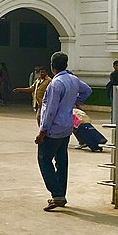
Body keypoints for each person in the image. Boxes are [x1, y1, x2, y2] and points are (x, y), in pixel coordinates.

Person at [36, 51, 92, 212]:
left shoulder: (56, 84)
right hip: (67, 127)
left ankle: (57, 194)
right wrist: (76, 101)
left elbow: (50, 110)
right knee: (62, 161)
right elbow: (87, 90)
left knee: (44, 159)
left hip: (53, 129)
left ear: (52, 66)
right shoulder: (73, 80)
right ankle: (60, 193)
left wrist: (43, 130)